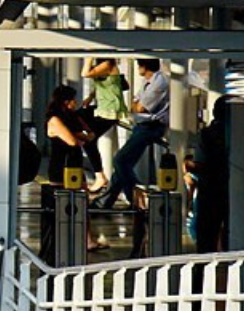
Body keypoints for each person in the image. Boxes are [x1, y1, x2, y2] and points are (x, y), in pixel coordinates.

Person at [92, 59, 169, 210]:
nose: (138, 68)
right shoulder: (148, 82)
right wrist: (136, 105)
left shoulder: (159, 83)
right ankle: (105, 201)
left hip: (151, 127)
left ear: (144, 66)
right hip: (142, 126)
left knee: (120, 160)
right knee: (123, 164)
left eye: (139, 65)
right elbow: (134, 103)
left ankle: (137, 198)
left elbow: (140, 107)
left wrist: (136, 105)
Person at [40, 85, 105, 262]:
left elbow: (90, 135)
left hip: (75, 166)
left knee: (81, 201)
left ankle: (87, 239)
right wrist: (79, 135)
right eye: (72, 100)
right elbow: (71, 141)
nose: (75, 103)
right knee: (62, 202)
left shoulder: (72, 118)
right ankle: (61, 238)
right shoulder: (54, 119)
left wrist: (79, 130)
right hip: (61, 167)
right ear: (65, 101)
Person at [80, 58, 128, 192]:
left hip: (110, 111)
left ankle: (100, 176)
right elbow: (103, 84)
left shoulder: (108, 64)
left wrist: (88, 57)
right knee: (77, 117)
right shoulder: (103, 66)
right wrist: (90, 96)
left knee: (89, 141)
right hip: (102, 109)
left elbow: (85, 74)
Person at [191, 96, 231, 253]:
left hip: (210, 191)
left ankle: (201, 274)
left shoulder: (207, 134)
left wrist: (189, 166)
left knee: (206, 239)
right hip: (235, 192)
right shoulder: (239, 134)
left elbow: (201, 163)